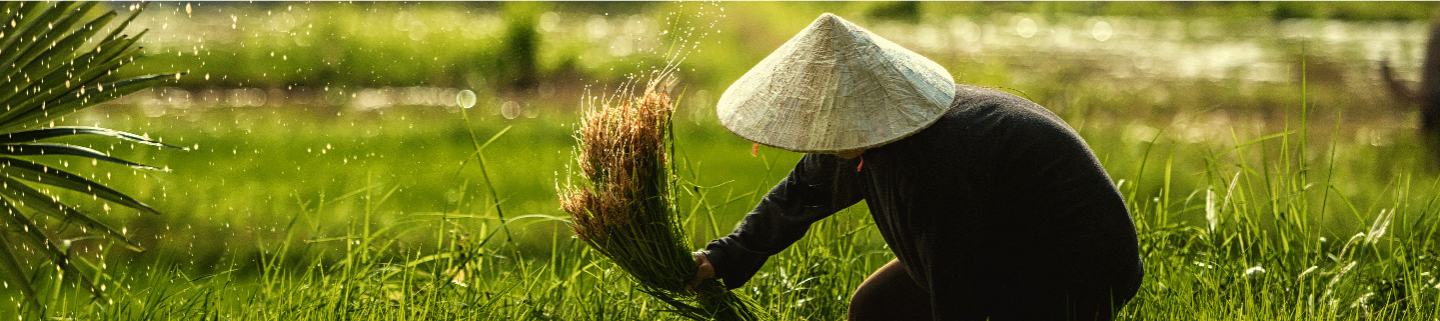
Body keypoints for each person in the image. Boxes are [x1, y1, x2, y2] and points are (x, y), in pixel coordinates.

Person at [688, 13, 1143, 321]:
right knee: (875, 307)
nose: (819, 136)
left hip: (1070, 268)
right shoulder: (865, 133)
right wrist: (720, 259)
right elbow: (803, 193)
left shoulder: (932, 162)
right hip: (993, 244)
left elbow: (955, 278)